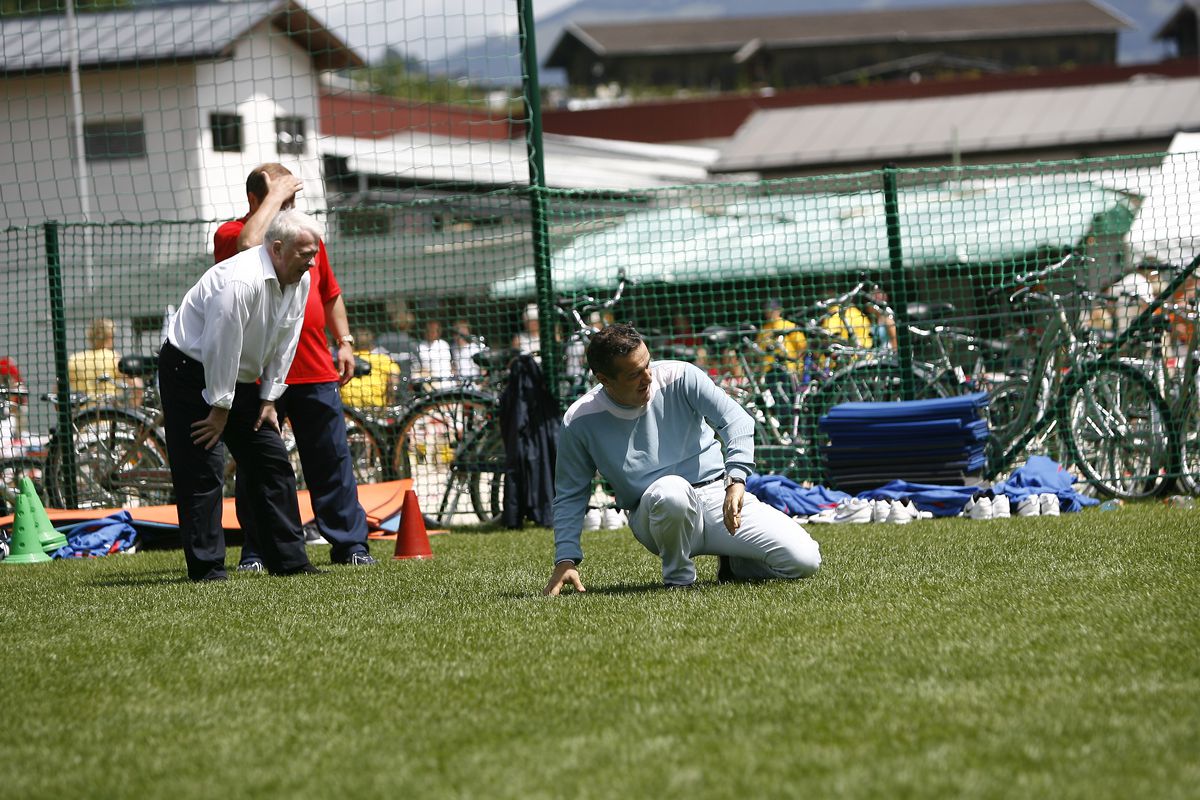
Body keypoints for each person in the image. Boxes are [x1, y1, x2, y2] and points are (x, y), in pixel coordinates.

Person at [543, 324, 822, 595]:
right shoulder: (579, 419)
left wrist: (736, 479)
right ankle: (679, 580)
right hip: (655, 511)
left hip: (717, 496)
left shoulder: (681, 375)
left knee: (805, 560)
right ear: (604, 379)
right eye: (634, 374)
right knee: (672, 491)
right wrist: (566, 559)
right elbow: (570, 494)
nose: (648, 377)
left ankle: (737, 564)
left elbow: (736, 421)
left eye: (648, 364)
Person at [214, 164, 375, 569]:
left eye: (292, 200)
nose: (289, 208)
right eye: (282, 200)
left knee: (333, 462)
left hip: (315, 370)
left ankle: (351, 546)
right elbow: (250, 244)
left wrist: (345, 342)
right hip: (259, 375)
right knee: (259, 468)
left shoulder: (304, 238)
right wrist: (274, 198)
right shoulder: (233, 234)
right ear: (256, 200)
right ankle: (257, 551)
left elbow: (331, 293)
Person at [159, 209, 323, 581]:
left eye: (314, 253)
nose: (312, 261)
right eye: (305, 253)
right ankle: (207, 569)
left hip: (241, 377)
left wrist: (269, 399)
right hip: (191, 369)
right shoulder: (240, 280)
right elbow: (221, 345)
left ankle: (291, 562)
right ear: (277, 249)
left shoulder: (301, 278)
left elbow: (286, 337)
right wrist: (219, 408)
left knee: (272, 460)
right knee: (203, 467)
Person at [67, 318, 142, 403]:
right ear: (110, 336)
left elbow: (58, 391)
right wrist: (133, 409)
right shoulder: (113, 357)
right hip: (110, 413)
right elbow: (137, 386)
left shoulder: (74, 359)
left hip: (84, 414)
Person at [339, 328, 400, 409]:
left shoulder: (345, 360)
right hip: (376, 409)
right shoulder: (384, 360)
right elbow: (393, 383)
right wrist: (389, 405)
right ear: (372, 344)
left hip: (348, 411)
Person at [417, 319, 453, 387]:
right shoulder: (420, 347)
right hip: (429, 384)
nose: (431, 333)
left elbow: (450, 366)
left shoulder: (444, 345)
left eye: (434, 330)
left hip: (447, 383)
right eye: (429, 330)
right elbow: (418, 369)